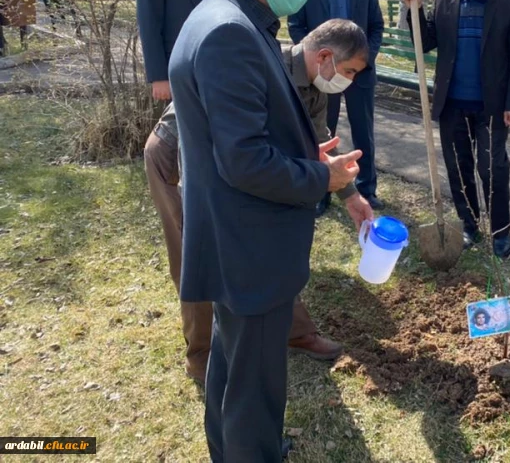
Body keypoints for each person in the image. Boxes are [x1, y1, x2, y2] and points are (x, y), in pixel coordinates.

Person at [168, 0, 363, 462]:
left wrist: (307, 152)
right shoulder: (230, 31)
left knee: (234, 364)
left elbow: (246, 132)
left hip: (235, 238)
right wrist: (321, 176)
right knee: (254, 380)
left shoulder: (233, 18)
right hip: (248, 241)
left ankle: (234, 448)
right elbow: (245, 161)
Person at [144, 20, 373, 384]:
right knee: (198, 255)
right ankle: (202, 354)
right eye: (348, 71)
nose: (349, 80)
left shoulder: (317, 85)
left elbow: (318, 142)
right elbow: (236, 140)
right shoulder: (263, 64)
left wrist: (351, 196)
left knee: (272, 245)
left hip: (244, 164)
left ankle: (294, 331)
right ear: (325, 57)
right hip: (181, 154)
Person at [137, 0, 225, 383]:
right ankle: (200, 341)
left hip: (218, 83)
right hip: (179, 81)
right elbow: (150, 16)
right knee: (189, 214)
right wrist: (159, 76)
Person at [403, 0, 510, 259]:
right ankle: (469, 224)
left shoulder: (509, 4)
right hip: (453, 103)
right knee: (458, 168)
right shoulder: (446, 0)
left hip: (492, 106)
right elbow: (428, 41)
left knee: (492, 169)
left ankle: (500, 231)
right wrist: (415, 9)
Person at [287, 0, 385, 216]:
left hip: (360, 73)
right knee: (320, 133)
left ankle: (367, 187)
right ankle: (322, 190)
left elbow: (376, 26)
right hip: (323, 74)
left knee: (363, 131)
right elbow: (296, 25)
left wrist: (363, 61)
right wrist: (316, 63)